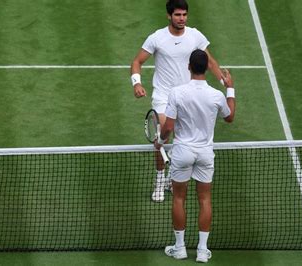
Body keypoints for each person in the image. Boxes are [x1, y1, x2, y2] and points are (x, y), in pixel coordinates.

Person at [130, 0, 225, 202]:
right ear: (169, 16)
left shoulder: (195, 36)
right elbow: (137, 62)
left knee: (182, 140)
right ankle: (159, 179)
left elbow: (210, 62)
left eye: (184, 15)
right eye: (177, 15)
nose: (181, 19)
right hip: (163, 96)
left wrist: (224, 82)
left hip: (187, 97)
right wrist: (136, 83)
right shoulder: (157, 38)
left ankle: (173, 180)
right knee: (163, 132)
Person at [154, 49, 235, 263]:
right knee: (205, 199)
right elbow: (230, 117)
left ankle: (180, 248)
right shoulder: (216, 95)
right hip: (205, 154)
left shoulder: (177, 92)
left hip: (182, 152)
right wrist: (230, 88)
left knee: (179, 199)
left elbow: (168, 127)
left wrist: (160, 142)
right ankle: (201, 251)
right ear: (207, 68)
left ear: (188, 67)